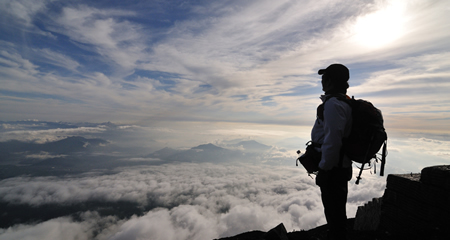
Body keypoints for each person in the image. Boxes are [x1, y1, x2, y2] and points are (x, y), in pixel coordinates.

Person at [311, 63, 353, 240]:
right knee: (336, 211)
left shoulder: (334, 104)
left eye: (324, 78)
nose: (322, 81)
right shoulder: (343, 102)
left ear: (330, 81)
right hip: (340, 166)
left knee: (334, 212)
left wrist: (324, 167)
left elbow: (333, 140)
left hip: (333, 169)